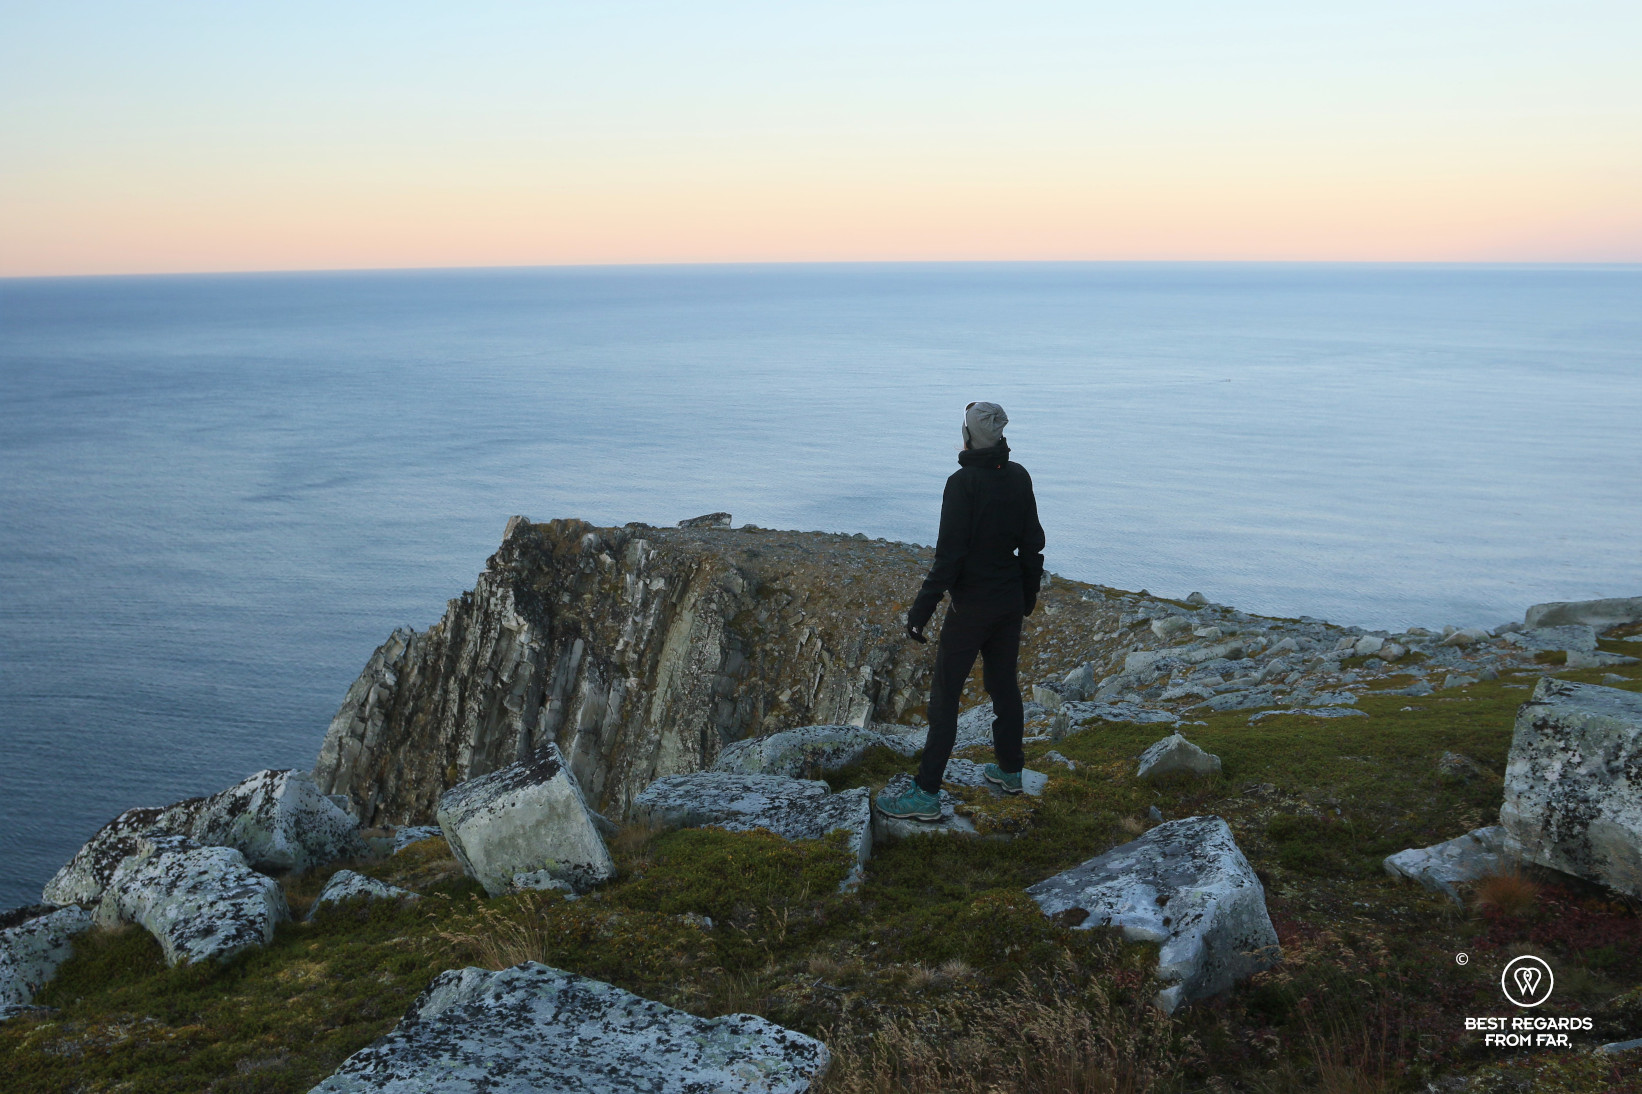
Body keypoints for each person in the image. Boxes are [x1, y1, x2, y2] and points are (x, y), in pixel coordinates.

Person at [876, 401, 1045, 820]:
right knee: (1003, 686)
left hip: (971, 607)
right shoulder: (1019, 476)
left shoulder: (962, 483)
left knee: (945, 697)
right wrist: (1026, 597)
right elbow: (1032, 545)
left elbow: (948, 557)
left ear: (969, 436)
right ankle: (1010, 770)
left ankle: (926, 793)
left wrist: (920, 612)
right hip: (1008, 601)